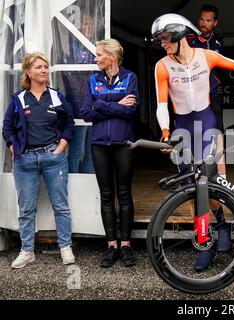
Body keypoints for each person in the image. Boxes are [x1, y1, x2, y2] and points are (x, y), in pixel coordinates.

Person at [151, 13, 234, 271]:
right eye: (160, 41)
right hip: (182, 127)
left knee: (210, 183)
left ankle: (221, 225)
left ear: (179, 36)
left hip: (207, 123)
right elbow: (161, 104)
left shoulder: (205, 56)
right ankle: (204, 242)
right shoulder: (162, 65)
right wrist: (165, 131)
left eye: (166, 39)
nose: (163, 45)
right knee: (190, 190)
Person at [2, 52, 75, 268]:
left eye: (46, 67)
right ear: (28, 72)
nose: (44, 70)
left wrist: (61, 146)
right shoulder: (18, 99)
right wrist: (13, 146)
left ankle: (65, 247)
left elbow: (69, 123)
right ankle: (27, 251)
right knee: (26, 209)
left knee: (60, 205)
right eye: (39, 67)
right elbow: (7, 128)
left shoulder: (56, 96)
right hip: (25, 161)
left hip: (53, 157)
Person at [80, 39, 139, 267]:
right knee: (106, 195)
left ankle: (126, 246)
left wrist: (100, 105)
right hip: (99, 146)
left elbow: (131, 110)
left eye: (98, 55)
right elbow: (86, 113)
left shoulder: (129, 77)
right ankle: (111, 245)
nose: (95, 59)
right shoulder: (93, 80)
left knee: (124, 194)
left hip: (124, 144)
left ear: (112, 56)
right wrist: (114, 105)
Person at [187, 4, 227, 178]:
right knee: (193, 134)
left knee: (218, 135)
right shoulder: (188, 39)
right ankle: (196, 173)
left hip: (213, 95)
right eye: (201, 19)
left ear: (215, 23)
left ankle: (221, 176)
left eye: (208, 20)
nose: (203, 23)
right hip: (192, 97)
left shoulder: (218, 41)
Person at [64, 13, 96, 174]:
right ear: (78, 28)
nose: (89, 27)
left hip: (94, 106)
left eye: (91, 24)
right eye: (86, 24)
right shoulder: (72, 50)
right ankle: (74, 187)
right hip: (78, 106)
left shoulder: (96, 48)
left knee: (91, 151)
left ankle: (88, 191)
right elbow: (74, 80)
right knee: (76, 149)